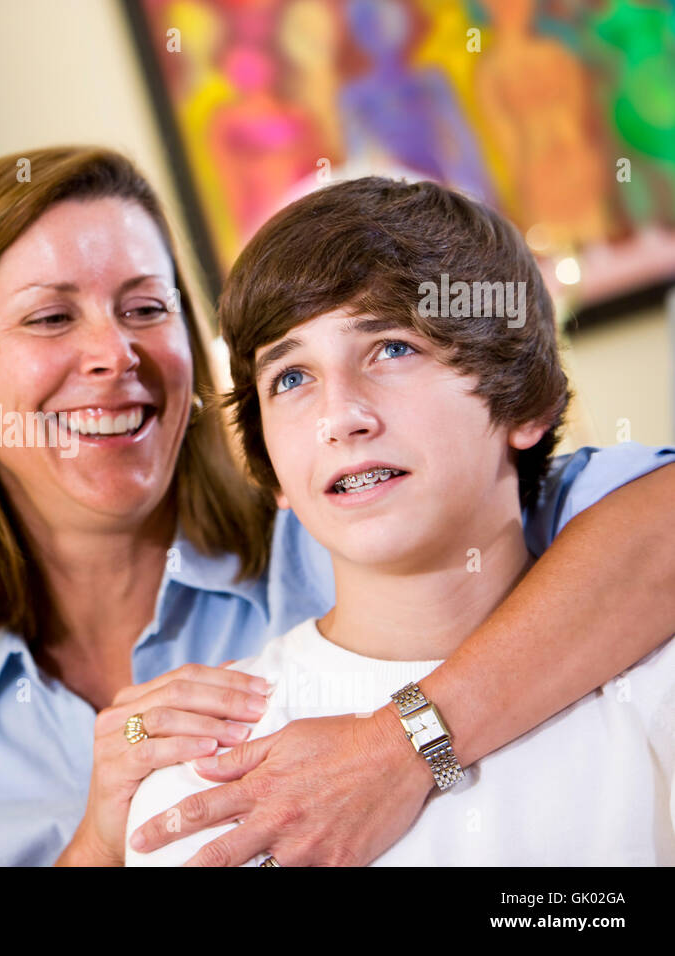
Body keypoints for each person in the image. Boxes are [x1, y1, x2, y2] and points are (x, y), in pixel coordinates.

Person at [0, 145, 675, 866]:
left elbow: (655, 536)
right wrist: (100, 843)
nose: (112, 354)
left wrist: (401, 747)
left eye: (147, 308)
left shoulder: (362, 520)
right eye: (50, 317)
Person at [126, 177, 674, 865]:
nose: (341, 417)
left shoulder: (655, 677)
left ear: (524, 402)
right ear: (269, 464)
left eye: (392, 348)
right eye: (291, 378)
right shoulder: (208, 779)